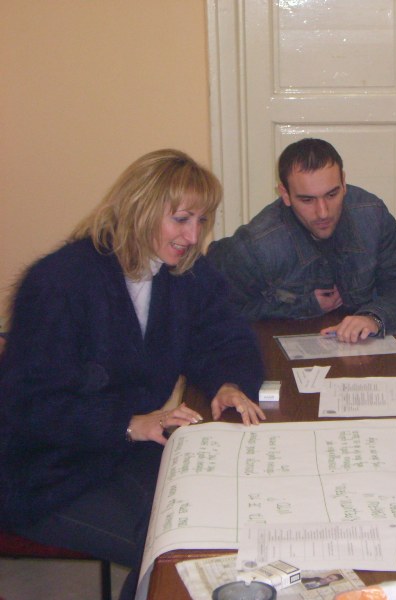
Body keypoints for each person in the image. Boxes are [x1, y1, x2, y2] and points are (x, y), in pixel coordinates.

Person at [0, 149, 266, 600]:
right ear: (141, 209)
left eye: (202, 221)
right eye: (181, 219)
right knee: (168, 549)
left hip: (117, 452)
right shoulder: (59, 282)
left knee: (209, 509)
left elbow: (225, 337)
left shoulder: (185, 273)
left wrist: (228, 382)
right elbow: (30, 407)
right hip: (45, 470)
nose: (193, 236)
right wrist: (127, 424)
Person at [208, 138, 396, 342]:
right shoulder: (256, 244)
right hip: (283, 351)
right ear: (285, 194)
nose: (323, 212)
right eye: (307, 200)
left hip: (366, 350)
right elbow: (218, 311)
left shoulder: (372, 215)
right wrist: (302, 305)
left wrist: (374, 318)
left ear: (344, 183)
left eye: (332, 195)